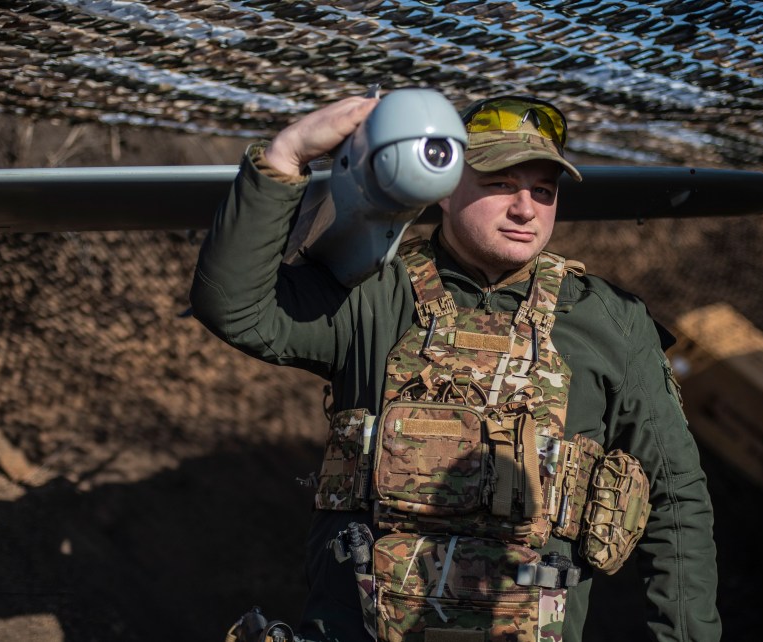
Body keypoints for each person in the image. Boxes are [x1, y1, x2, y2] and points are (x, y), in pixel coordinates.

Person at [190, 93, 721, 642]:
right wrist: (287, 153)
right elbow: (234, 306)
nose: (526, 208)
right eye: (499, 183)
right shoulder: (373, 294)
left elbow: (676, 499)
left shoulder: (611, 323)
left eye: (543, 190)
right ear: (444, 190)